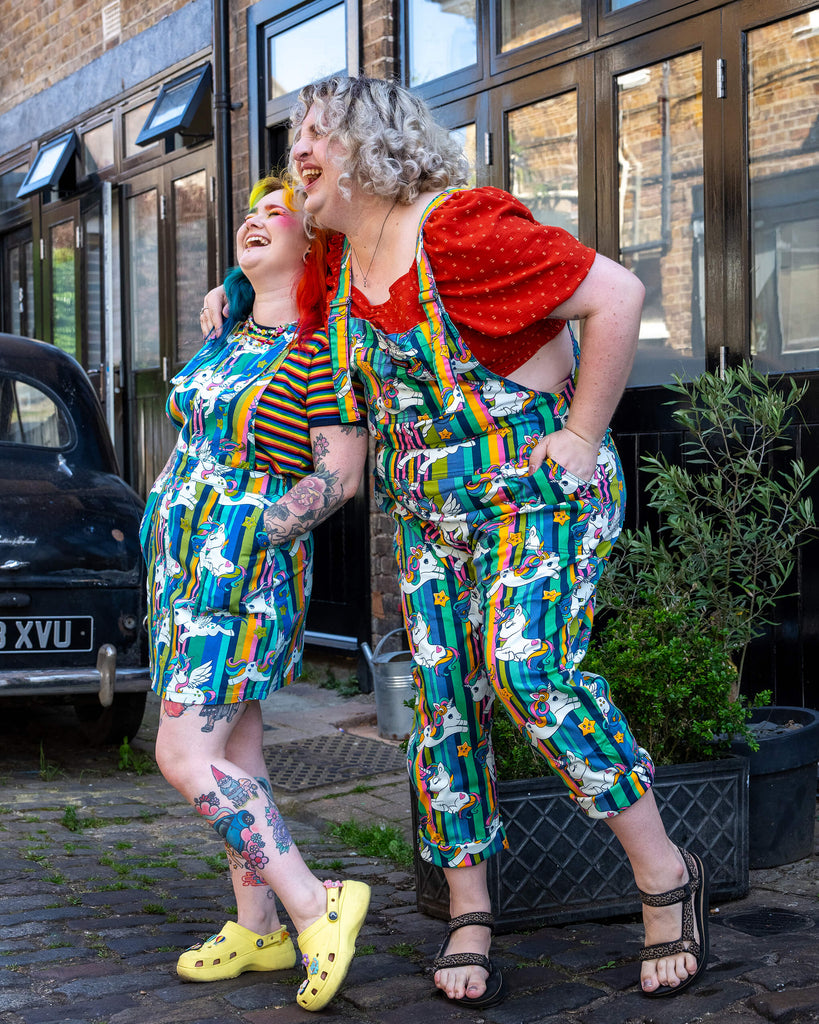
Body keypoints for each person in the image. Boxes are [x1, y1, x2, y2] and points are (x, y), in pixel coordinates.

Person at [202, 77, 709, 1007]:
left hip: (537, 489)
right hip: (432, 516)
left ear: (373, 146)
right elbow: (270, 256)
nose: (298, 153)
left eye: (318, 134)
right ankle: (469, 910)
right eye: (294, 138)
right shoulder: (334, 267)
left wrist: (585, 434)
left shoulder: (461, 229)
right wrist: (231, 292)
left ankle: (663, 872)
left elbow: (619, 294)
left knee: (527, 675)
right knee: (438, 703)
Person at [143, 172, 370, 1012]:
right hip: (179, 573)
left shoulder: (326, 347)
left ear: (314, 242)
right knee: (235, 755)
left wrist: (246, 536)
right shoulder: (224, 331)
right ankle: (259, 927)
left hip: (242, 579)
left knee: (182, 754)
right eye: (248, 215)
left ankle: (317, 906)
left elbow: (339, 480)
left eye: (279, 213)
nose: (255, 222)